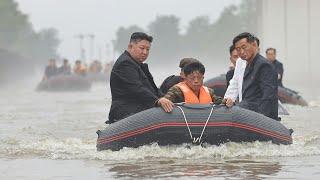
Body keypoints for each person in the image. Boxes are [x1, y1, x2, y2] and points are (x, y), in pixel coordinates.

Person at [108, 32, 172, 123]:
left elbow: (153, 89)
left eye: (148, 49)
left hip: (140, 108)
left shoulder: (139, 65)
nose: (145, 52)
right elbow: (137, 88)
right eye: (142, 48)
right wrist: (157, 101)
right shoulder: (125, 64)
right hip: (125, 112)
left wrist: (166, 99)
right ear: (130, 46)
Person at [232, 32, 278, 120]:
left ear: (254, 44)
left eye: (244, 47)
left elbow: (268, 97)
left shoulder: (264, 66)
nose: (241, 52)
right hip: (247, 112)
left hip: (259, 118)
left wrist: (261, 121)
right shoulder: (248, 66)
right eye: (238, 49)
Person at [158, 61, 223, 110]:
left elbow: (219, 101)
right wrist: (162, 100)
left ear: (203, 77)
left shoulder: (209, 91)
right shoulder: (176, 90)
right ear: (185, 78)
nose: (196, 81)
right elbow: (166, 99)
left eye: (199, 78)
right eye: (192, 78)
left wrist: (226, 101)